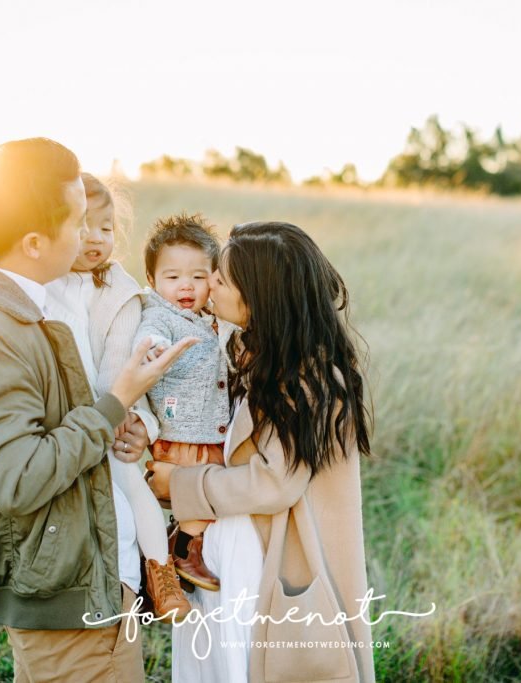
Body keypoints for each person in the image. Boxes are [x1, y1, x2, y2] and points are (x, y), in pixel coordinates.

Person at [0, 138, 194, 683]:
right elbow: (16, 479)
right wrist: (115, 400)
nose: (86, 237)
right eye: (75, 222)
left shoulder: (27, 305)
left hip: (89, 575)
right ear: (32, 241)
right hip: (68, 599)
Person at [148, 221, 376, 682]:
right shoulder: (250, 354)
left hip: (267, 564)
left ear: (260, 296)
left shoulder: (308, 377)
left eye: (223, 278)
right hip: (230, 551)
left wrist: (180, 483)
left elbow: (274, 482)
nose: (209, 282)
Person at [43, 172, 191, 620]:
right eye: (84, 227)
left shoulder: (122, 292)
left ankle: (160, 571)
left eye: (106, 229)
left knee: (131, 481)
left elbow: (119, 368)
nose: (95, 240)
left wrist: (126, 418)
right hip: (64, 423)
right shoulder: (43, 287)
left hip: (115, 412)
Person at [133, 212, 231, 593]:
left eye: (198, 276)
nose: (186, 286)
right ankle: (184, 551)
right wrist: (155, 348)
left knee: (208, 491)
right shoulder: (162, 316)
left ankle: (184, 546)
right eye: (173, 277)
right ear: (153, 282)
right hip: (183, 432)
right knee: (199, 492)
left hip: (208, 431)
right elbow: (150, 333)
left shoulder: (210, 318)